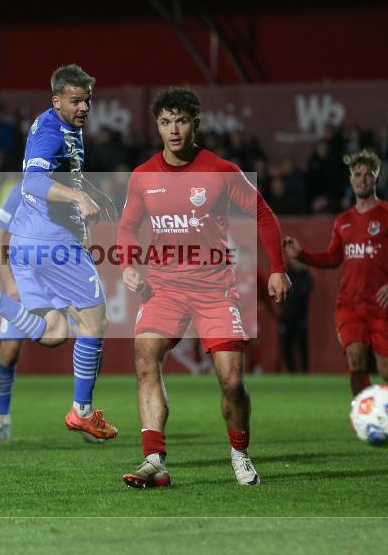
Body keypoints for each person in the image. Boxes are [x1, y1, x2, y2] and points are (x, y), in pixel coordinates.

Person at [117, 88, 291, 488]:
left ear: (195, 122)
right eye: (165, 122)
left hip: (215, 289)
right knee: (145, 357)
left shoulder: (220, 170)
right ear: (157, 126)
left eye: (181, 120)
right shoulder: (143, 176)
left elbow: (263, 213)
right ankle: (154, 461)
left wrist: (278, 269)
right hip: (163, 287)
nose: (173, 130)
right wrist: (128, 264)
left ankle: (239, 453)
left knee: (231, 381)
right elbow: (127, 226)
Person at [0, 64, 117, 442]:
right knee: (96, 324)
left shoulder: (64, 129)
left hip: (30, 246)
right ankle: (81, 412)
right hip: (51, 242)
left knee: (55, 332)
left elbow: (61, 179)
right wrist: (78, 196)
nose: (83, 108)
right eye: (75, 101)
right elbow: (32, 181)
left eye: (87, 101)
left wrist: (89, 195)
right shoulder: (49, 132)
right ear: (56, 100)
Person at [283, 148, 388, 397]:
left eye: (368, 175)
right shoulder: (343, 221)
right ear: (350, 179)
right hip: (349, 304)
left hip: (381, 304)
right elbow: (333, 258)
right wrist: (302, 255)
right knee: (356, 361)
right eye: (357, 174)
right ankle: (366, 413)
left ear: (377, 179)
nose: (362, 179)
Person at [0, 182, 27, 443]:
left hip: (60, 286)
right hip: (24, 287)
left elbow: (83, 236)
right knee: (8, 353)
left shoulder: (71, 191)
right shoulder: (20, 192)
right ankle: (2, 420)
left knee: (90, 336)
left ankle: (85, 412)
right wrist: (10, 282)